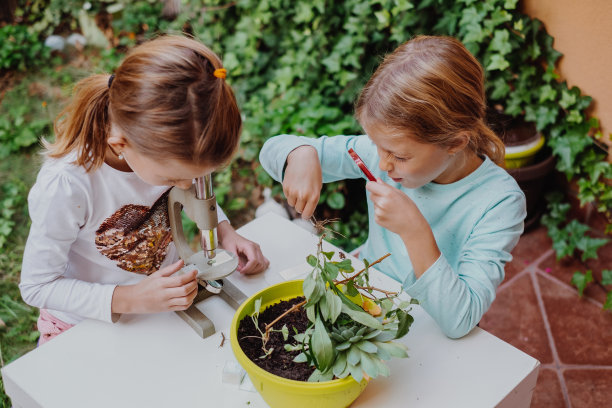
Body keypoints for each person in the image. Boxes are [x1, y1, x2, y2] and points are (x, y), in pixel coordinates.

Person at [259, 35, 526, 339]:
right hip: (369, 305)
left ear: (455, 143)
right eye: (376, 145)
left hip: (429, 331)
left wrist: (415, 231)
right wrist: (301, 154)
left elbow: (459, 320)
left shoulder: (499, 203)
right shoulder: (380, 153)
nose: (383, 164)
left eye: (399, 156)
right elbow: (271, 151)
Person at [20, 35, 269, 345]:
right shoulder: (67, 186)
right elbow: (37, 286)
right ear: (121, 145)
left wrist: (223, 228)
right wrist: (132, 298)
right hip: (85, 326)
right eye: (176, 178)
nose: (187, 186)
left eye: (199, 176)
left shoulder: (168, 151)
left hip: (157, 306)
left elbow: (195, 187)